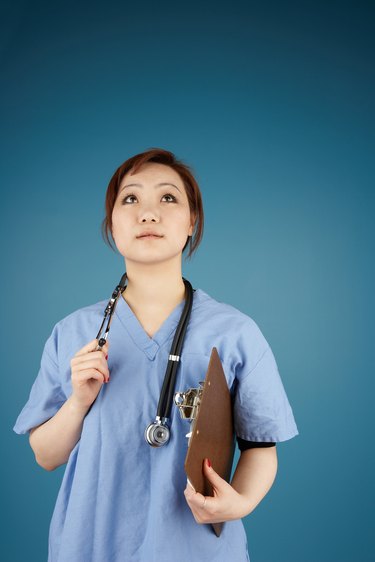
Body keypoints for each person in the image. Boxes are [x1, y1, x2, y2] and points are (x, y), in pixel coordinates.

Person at [13, 147, 299, 562]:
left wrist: (241, 503)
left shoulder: (236, 333)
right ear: (112, 223)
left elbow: (260, 446)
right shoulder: (73, 332)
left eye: (168, 198)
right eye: (130, 199)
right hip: (90, 545)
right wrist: (78, 402)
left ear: (191, 221)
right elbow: (46, 456)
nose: (148, 213)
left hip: (196, 547)